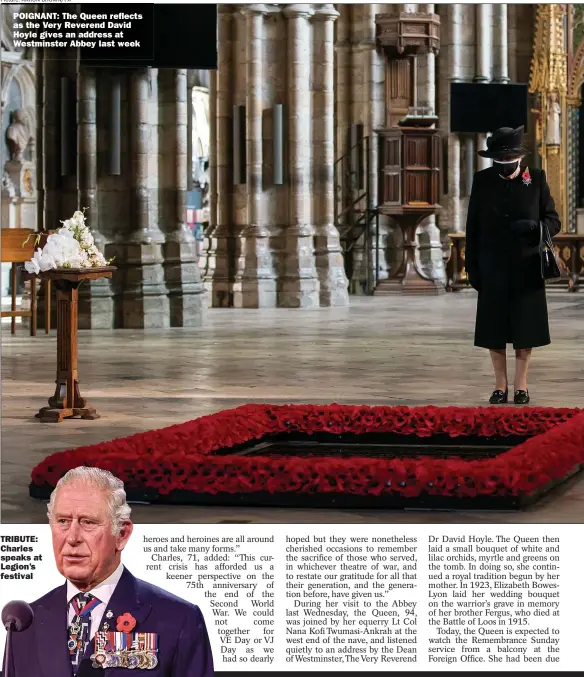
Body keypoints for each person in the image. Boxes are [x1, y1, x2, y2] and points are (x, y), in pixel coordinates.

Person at [4, 467, 214, 676]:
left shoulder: (179, 620)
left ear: (122, 534)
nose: (72, 537)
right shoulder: (23, 624)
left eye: (88, 522)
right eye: (63, 521)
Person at [465, 126, 561, 405]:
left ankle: (521, 384)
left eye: (509, 162)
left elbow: (554, 220)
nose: (505, 168)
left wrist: (536, 227)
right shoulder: (482, 181)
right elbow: (473, 227)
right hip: (492, 266)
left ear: (519, 158)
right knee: (493, 327)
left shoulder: (537, 179)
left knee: (524, 327)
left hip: (526, 267)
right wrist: (472, 266)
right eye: (500, 163)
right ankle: (499, 385)